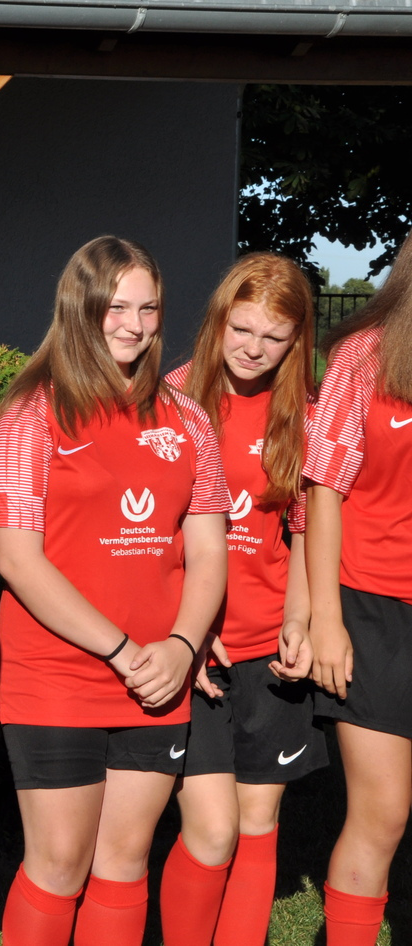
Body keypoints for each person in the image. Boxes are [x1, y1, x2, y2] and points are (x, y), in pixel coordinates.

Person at [0, 236, 229, 946]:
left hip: (159, 675)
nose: (134, 324)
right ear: (79, 307)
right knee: (59, 864)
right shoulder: (31, 414)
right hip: (57, 675)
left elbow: (208, 550)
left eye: (148, 309)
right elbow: (18, 560)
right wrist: (122, 651)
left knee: (124, 862)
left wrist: (181, 646)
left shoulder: (188, 418)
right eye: (115, 307)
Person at [159, 253, 326, 946]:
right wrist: (184, 629)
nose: (254, 348)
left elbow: (307, 532)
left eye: (273, 336)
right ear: (218, 319)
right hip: (190, 652)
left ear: (296, 342)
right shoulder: (169, 400)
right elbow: (144, 537)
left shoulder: (304, 416)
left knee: (258, 824)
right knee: (211, 830)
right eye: (243, 328)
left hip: (270, 653)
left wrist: (301, 621)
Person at [304, 230, 412, 946]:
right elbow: (323, 491)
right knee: (384, 813)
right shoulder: (363, 355)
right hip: (373, 607)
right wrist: (326, 619)